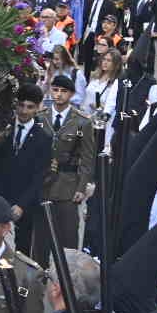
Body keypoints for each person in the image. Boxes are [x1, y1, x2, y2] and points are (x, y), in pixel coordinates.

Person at [0, 84, 52, 256]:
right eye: (21, 105)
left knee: (22, 249)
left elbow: (39, 177)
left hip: (24, 203)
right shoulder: (2, 129)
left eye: (30, 107)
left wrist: (21, 205)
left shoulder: (43, 138)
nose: (24, 111)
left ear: (38, 108)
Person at [35, 74, 95, 267]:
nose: (59, 95)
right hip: (43, 183)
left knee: (68, 235)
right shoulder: (40, 117)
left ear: (71, 94)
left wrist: (81, 187)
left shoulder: (82, 122)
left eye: (64, 91)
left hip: (67, 185)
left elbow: (87, 158)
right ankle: (40, 273)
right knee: (41, 236)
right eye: (55, 90)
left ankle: (69, 275)